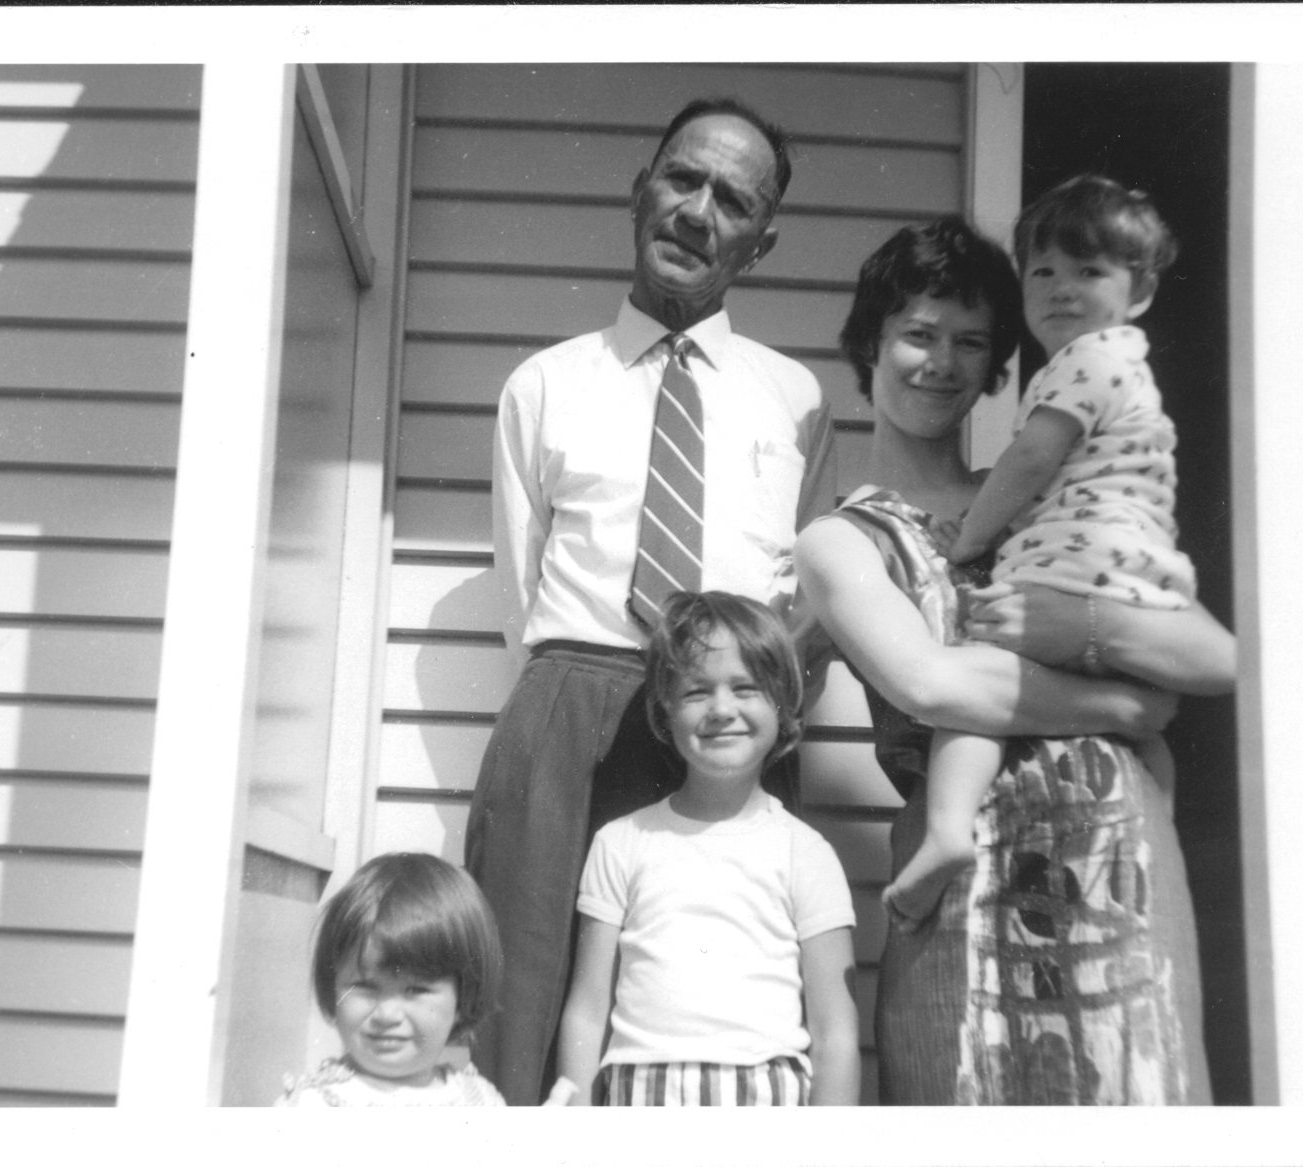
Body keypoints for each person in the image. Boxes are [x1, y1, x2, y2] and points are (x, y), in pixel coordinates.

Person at [792, 216, 1235, 1104]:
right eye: (918, 334)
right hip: (963, 875)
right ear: (868, 346)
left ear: (1001, 367)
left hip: (1117, 855)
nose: (943, 362)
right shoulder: (840, 540)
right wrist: (1119, 705)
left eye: (972, 342)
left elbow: (1216, 656)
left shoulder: (1047, 494)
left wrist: (1079, 631)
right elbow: (932, 682)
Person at [467, 96, 838, 1104]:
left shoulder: (794, 399)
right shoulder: (544, 386)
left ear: (761, 240)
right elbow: (520, 580)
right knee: (529, 998)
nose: (698, 211)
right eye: (683, 179)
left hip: (725, 725)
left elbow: (804, 601)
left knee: (709, 998)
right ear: (642, 190)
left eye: (732, 199)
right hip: (573, 706)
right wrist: (560, 711)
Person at [884, 176, 1207, 929]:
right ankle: (1163, 825)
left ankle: (945, 830)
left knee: (975, 689)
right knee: (1151, 736)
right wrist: (1129, 705)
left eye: (1088, 271)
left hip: (1076, 567)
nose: (1062, 289)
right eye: (1044, 271)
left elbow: (1027, 462)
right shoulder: (1124, 367)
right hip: (1135, 577)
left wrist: (971, 536)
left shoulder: (1084, 364)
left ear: (1142, 290)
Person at [555, 591, 858, 1106]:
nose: (722, 710)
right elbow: (587, 1009)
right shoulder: (622, 842)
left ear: (782, 706)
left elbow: (835, 1031)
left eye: (745, 688)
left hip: (764, 1098)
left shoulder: (805, 853)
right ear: (664, 711)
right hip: (640, 1098)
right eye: (697, 692)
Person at [276, 852, 507, 1107]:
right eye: (364, 986)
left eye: (415, 990)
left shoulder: (480, 1102)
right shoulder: (310, 1106)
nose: (386, 1015)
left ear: (464, 999)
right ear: (333, 988)